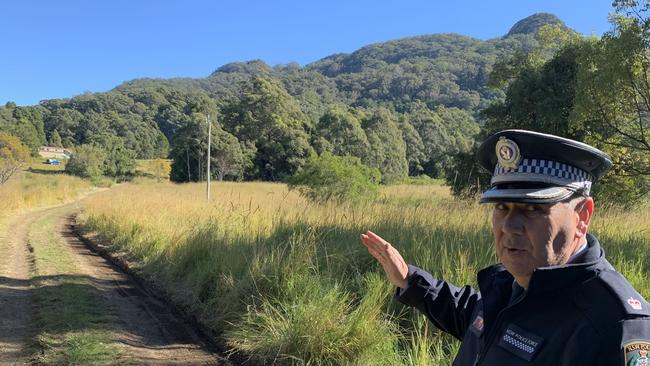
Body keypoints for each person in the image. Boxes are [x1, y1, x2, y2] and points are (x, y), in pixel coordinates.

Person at [360, 129, 650, 365]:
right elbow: (475, 317)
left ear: (582, 216)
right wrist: (410, 280)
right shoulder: (514, 281)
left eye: (533, 209)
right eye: (502, 206)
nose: (510, 226)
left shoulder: (615, 326)